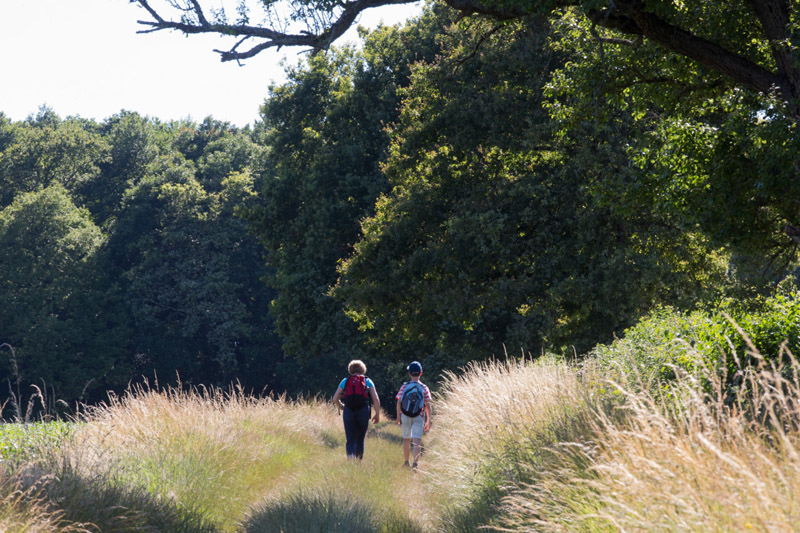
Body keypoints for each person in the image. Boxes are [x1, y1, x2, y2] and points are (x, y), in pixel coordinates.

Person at [332, 359, 381, 460]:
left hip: (348, 411)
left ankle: (351, 461)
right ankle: (358, 463)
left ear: (350, 369)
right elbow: (375, 399)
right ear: (363, 369)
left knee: (350, 439)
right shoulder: (367, 381)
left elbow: (335, 398)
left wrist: (341, 406)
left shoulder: (345, 380)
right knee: (360, 438)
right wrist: (377, 414)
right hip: (363, 411)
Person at [395, 361, 431, 469]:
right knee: (417, 440)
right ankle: (415, 464)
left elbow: (399, 402)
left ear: (409, 373)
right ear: (421, 373)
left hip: (405, 415)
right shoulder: (424, 387)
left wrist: (398, 417)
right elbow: (427, 404)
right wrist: (428, 419)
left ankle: (406, 462)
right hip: (419, 416)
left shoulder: (405, 386)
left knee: (406, 439)